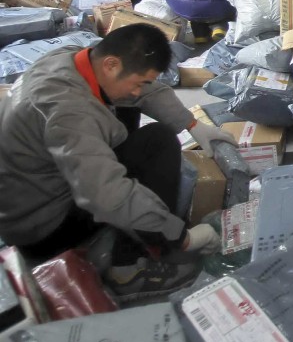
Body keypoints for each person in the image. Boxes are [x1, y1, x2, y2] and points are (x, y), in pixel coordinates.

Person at [0, 24, 237, 298]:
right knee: (158, 142)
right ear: (111, 64)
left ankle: (139, 237)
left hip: (26, 195)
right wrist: (180, 237)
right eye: (138, 82)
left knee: (125, 106)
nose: (139, 91)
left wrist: (192, 124)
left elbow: (147, 91)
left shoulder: (72, 58)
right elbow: (107, 195)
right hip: (41, 228)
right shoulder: (69, 114)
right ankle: (128, 269)